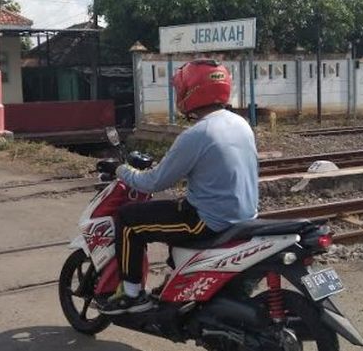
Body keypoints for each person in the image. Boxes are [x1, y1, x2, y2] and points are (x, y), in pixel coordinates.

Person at [101, 59, 259, 315]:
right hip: (244, 217)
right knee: (171, 212)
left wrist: (120, 170)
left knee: (128, 220)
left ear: (191, 91)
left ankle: (131, 295)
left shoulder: (197, 134)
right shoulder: (241, 124)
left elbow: (154, 181)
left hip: (209, 220)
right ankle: (174, 281)